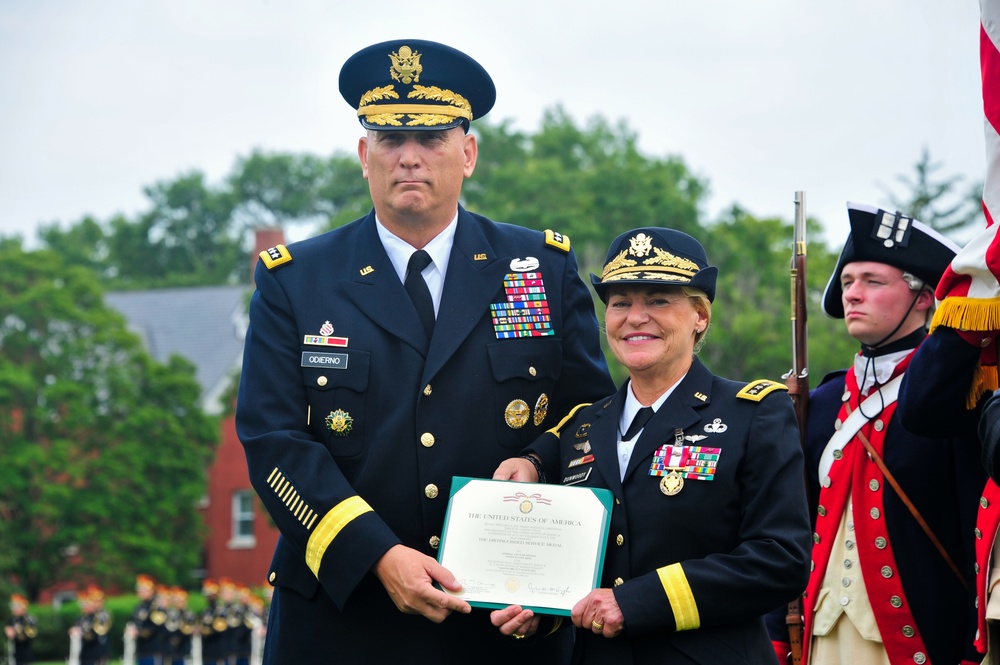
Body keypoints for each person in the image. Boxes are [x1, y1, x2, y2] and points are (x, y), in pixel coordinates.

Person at [235, 37, 614, 663]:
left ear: (467, 153)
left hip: (501, 621)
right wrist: (376, 554)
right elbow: (272, 441)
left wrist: (540, 460)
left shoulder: (540, 267)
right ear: (364, 155)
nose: (409, 157)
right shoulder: (294, 279)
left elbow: (593, 412)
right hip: (342, 616)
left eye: (432, 138)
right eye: (389, 139)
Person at [492, 227, 812, 664]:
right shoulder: (581, 428)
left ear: (699, 316)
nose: (636, 317)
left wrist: (639, 602)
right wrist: (540, 613)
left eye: (659, 300)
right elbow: (576, 568)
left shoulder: (753, 413)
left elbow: (782, 560)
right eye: (621, 303)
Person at [766, 202, 982, 664]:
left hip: (920, 638)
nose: (853, 294)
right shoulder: (819, 404)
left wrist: (971, 649)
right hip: (819, 635)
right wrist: (776, 635)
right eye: (847, 282)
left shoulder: (951, 401)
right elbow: (787, 528)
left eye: (873, 282)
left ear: (924, 298)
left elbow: (973, 531)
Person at [126, 574, 167, 665]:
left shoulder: (157, 606)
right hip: (141, 649)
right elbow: (136, 623)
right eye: (139, 590)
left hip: (154, 649)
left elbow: (156, 628)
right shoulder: (138, 607)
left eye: (143, 590)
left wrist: (138, 632)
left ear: (151, 591)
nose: (140, 592)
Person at [71, 585, 112, 665]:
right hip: (85, 651)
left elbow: (97, 633)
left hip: (98, 650)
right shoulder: (82, 617)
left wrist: (81, 633)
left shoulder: (101, 615)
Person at [4, 594, 37, 665]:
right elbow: (8, 632)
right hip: (13, 653)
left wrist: (15, 633)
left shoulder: (29, 620)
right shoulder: (12, 619)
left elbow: (29, 636)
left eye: (16, 607)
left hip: (24, 654)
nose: (14, 609)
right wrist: (7, 632)